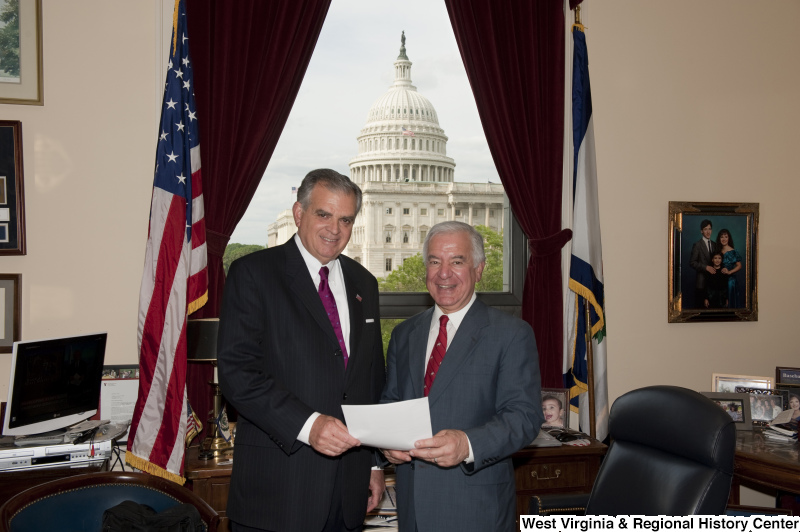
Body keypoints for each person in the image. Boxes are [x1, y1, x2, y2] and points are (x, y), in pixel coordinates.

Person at [217, 169, 386, 532]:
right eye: (323, 215)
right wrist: (308, 426)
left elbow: (370, 380)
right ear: (299, 213)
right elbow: (238, 375)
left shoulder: (364, 283)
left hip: (348, 492)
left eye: (345, 219)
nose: (334, 229)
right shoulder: (253, 274)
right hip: (279, 492)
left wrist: (373, 465)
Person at [380, 221, 542, 532]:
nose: (444, 273)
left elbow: (524, 417)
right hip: (411, 509)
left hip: (475, 510)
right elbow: (392, 404)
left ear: (479, 269)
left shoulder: (511, 334)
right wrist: (385, 445)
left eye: (457, 261)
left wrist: (468, 443)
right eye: (434, 261)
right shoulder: (404, 334)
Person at [689, 219, 719, 308]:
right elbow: (692, 262)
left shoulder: (714, 244)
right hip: (702, 282)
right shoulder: (697, 245)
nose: (708, 231)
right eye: (705, 229)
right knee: (701, 310)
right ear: (701, 231)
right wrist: (705, 267)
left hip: (713, 283)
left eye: (709, 229)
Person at [716, 229, 743, 308]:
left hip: (730, 281)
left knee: (730, 304)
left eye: (726, 237)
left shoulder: (733, 251)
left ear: (729, 238)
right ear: (719, 239)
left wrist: (729, 272)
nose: (724, 239)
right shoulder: (718, 250)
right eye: (722, 237)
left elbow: (739, 265)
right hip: (720, 280)